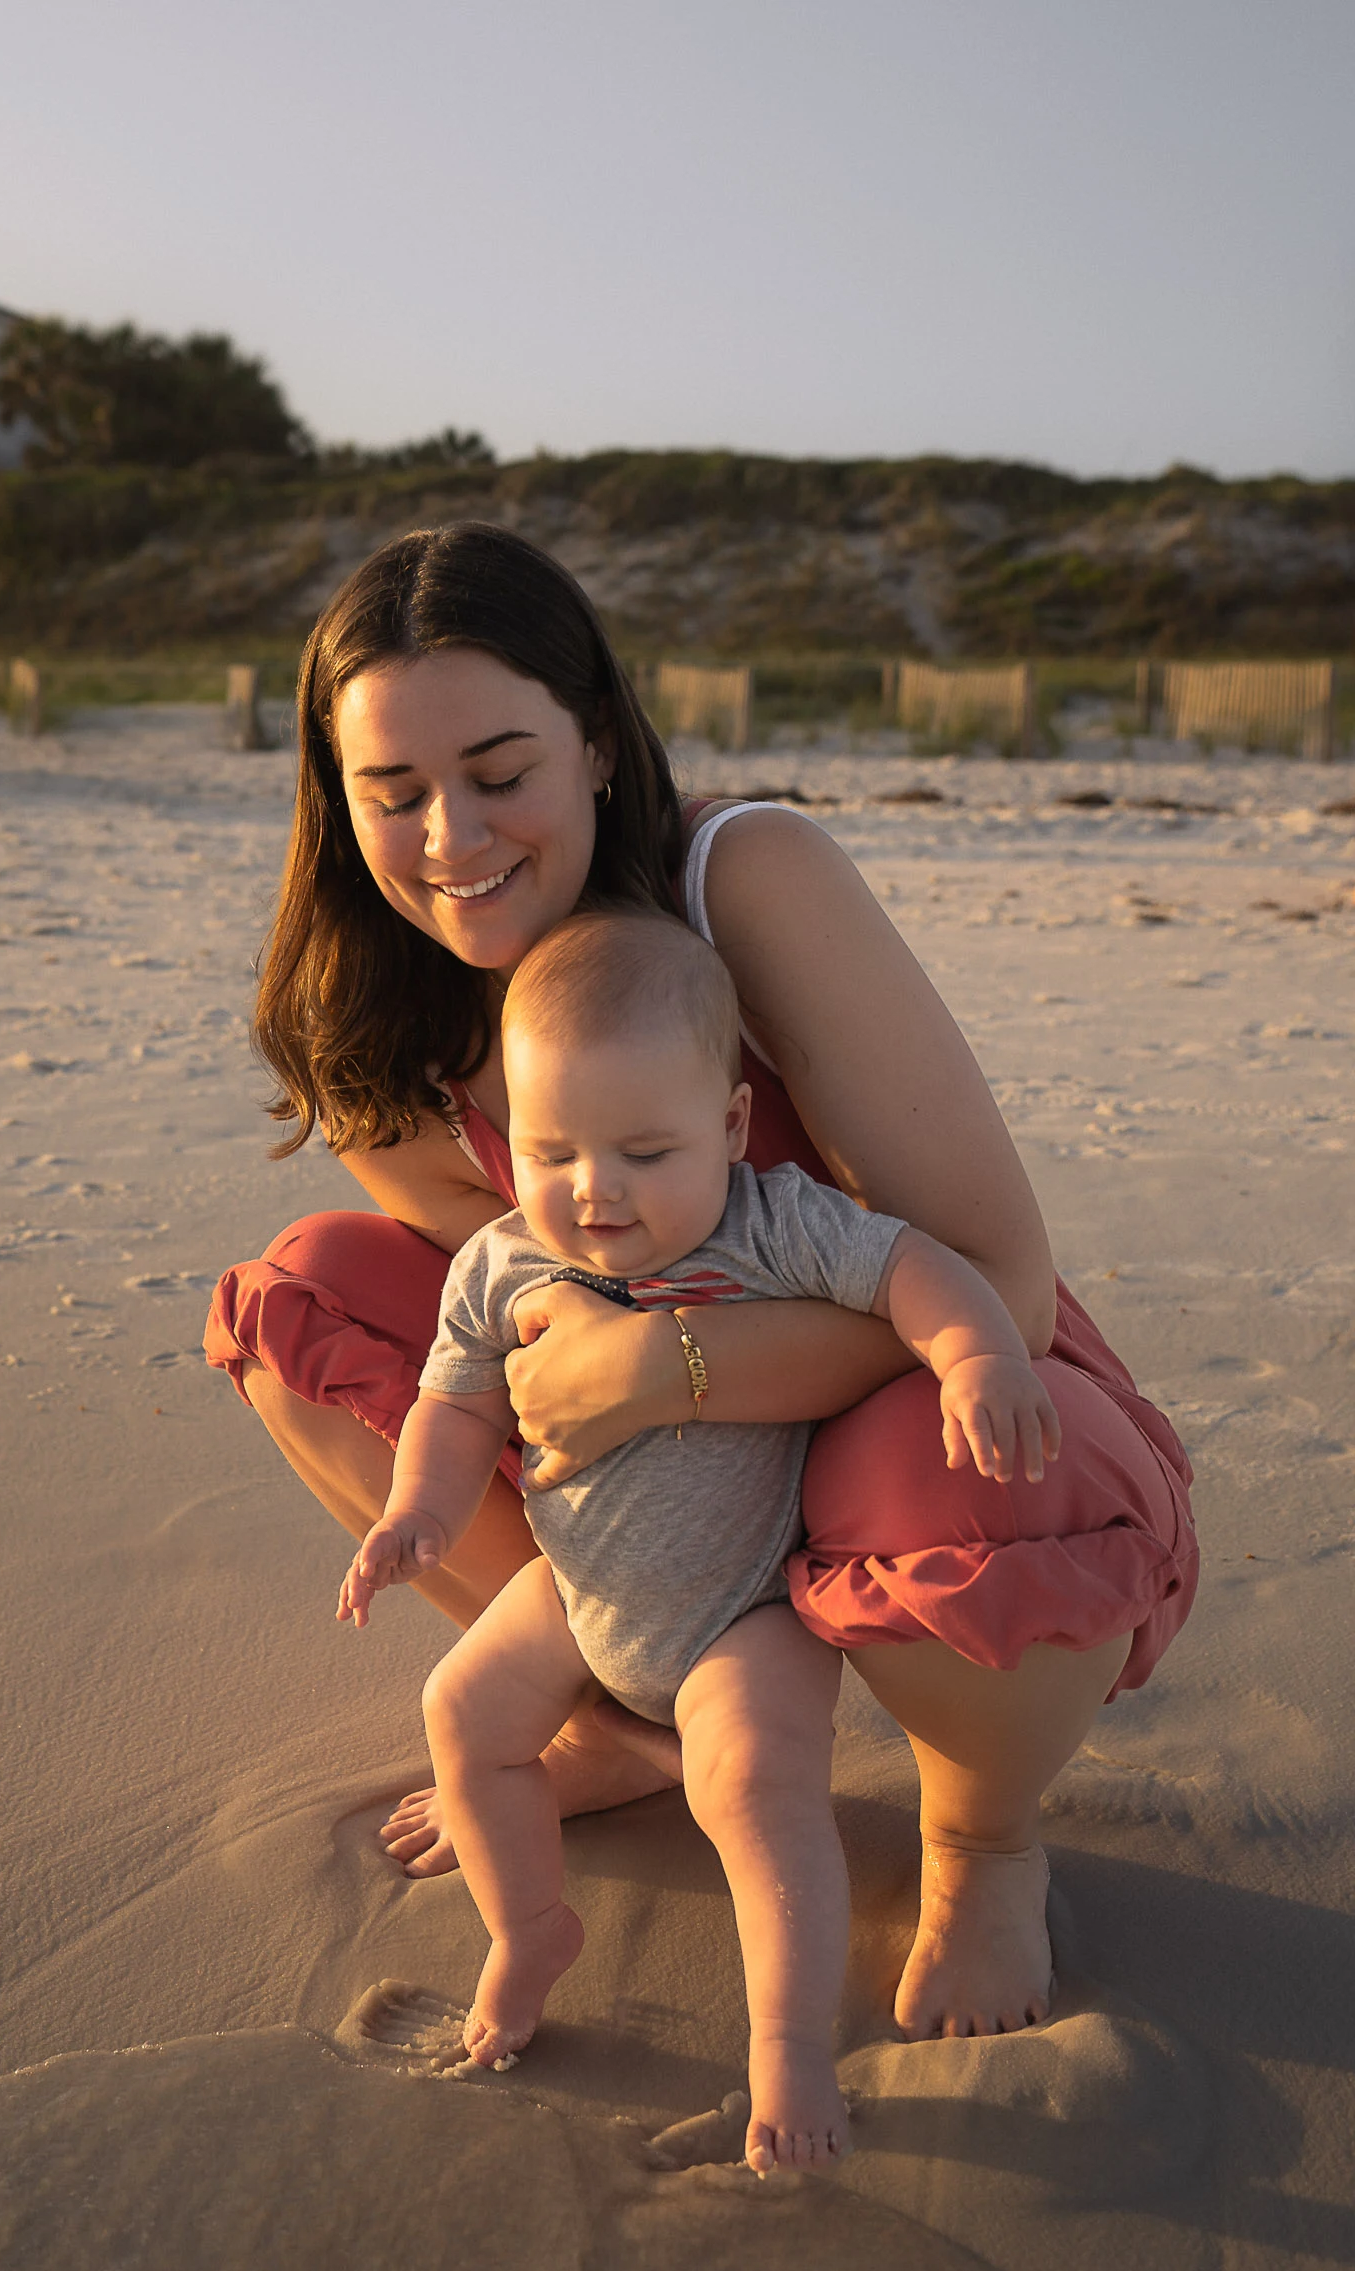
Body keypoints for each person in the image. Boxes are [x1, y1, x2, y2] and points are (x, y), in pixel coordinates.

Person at [204, 521, 1197, 2044]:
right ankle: (628, 1709)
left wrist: (669, 1373)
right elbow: (496, 1296)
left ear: (597, 742)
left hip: (937, 1389)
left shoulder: (744, 877)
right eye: (392, 791)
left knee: (971, 1473)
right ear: (338, 801)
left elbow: (1004, 1279)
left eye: (500, 770)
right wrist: (560, 1388)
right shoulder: (379, 1019)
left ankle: (981, 1838)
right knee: (305, 1299)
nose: (452, 835)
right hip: (664, 1507)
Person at [337, 909, 1062, 2170]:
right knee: (459, 1709)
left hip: (744, 1612)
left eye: (642, 1149)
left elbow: (912, 1268)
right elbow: (450, 1407)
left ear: (726, 1129)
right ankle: (526, 1931)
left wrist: (973, 1353)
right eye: (551, 1149)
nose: (592, 1188)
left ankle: (783, 2053)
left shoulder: (769, 1225)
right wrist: (419, 1512)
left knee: (755, 1796)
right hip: (576, 1587)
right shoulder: (501, 1263)